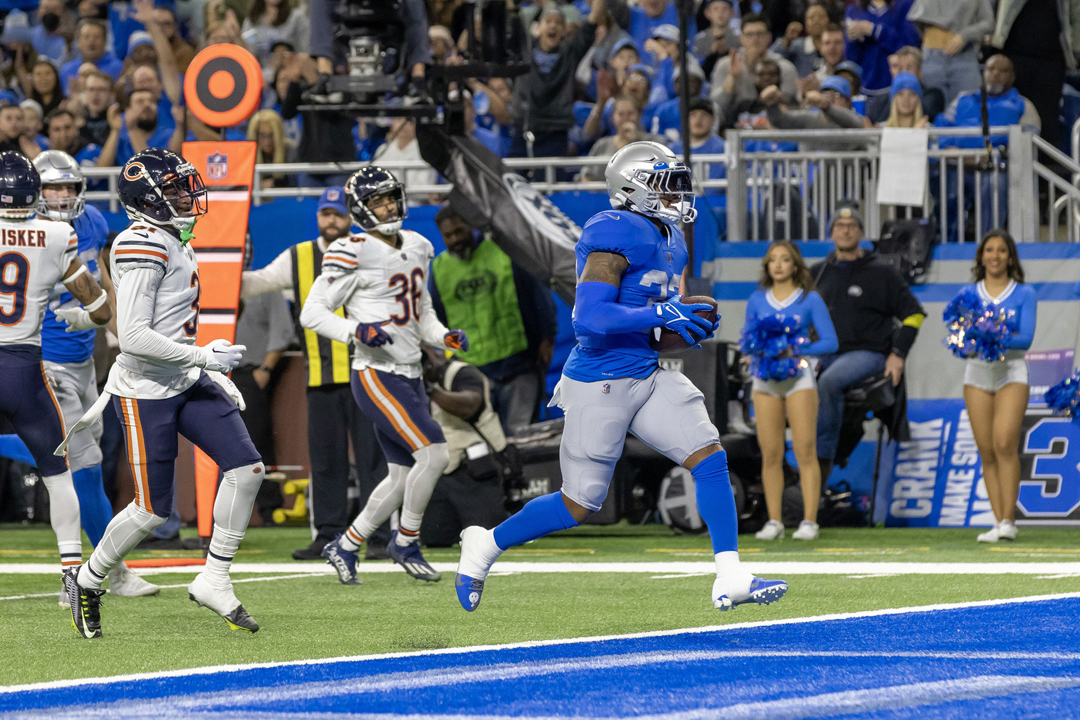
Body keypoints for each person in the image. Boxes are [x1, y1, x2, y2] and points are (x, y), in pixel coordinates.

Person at [454, 141, 788, 613]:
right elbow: (588, 318)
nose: (678, 197)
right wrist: (664, 311)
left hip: (647, 373)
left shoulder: (672, 239)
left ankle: (730, 575)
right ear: (634, 189)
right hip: (600, 381)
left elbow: (655, 329)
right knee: (579, 504)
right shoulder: (616, 229)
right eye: (667, 187)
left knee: (710, 458)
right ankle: (486, 544)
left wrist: (682, 329)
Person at [65, 148, 264, 638]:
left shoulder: (172, 237)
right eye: (173, 188)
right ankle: (88, 579)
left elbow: (170, 324)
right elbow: (131, 336)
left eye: (183, 185)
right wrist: (203, 358)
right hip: (145, 388)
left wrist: (203, 368)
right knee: (152, 510)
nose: (185, 195)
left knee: (247, 467)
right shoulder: (140, 243)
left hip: (184, 378)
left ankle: (215, 578)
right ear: (147, 199)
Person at [301, 166, 468, 585]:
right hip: (375, 373)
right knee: (434, 455)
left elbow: (421, 311)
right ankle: (406, 539)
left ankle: (345, 544)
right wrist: (355, 330)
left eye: (392, 197)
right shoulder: (351, 249)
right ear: (361, 209)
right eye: (378, 200)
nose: (389, 205)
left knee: (399, 477)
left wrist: (442, 336)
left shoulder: (418, 244)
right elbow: (312, 312)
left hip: (410, 372)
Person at [33, 149, 160, 599]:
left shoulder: (93, 225)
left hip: (85, 359)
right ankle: (109, 571)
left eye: (69, 186)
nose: (63, 195)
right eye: (53, 187)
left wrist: (107, 324)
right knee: (84, 467)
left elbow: (103, 278)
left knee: (85, 460)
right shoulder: (30, 234)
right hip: (46, 360)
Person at [240, 187, 389, 561]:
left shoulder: (372, 252)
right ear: (319, 217)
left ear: (350, 217)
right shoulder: (299, 257)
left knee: (374, 461)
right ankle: (328, 535)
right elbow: (255, 283)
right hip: (320, 377)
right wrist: (217, 269)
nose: (331, 220)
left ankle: (382, 536)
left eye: (338, 214)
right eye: (326, 213)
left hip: (366, 372)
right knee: (325, 461)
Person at [0, 151, 110, 614]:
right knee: (59, 476)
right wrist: (82, 314)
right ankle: (71, 575)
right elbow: (102, 309)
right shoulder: (57, 234)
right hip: (25, 368)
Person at [809, 201, 926, 484]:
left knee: (828, 383)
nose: (845, 231)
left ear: (861, 233)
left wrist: (897, 354)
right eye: (840, 225)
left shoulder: (882, 272)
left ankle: (821, 462)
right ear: (832, 232)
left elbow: (914, 314)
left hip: (868, 354)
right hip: (823, 353)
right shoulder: (817, 273)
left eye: (852, 226)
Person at [430, 205, 558, 434]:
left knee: (521, 437)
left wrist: (547, 337)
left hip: (519, 364)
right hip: (473, 372)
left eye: (459, 231)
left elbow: (538, 294)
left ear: (471, 225)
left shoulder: (504, 252)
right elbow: (436, 319)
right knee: (485, 444)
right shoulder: (439, 269)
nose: (455, 239)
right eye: (448, 235)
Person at [745, 241, 838, 542]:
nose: (779, 265)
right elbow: (747, 338)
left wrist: (796, 348)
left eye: (785, 259)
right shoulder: (757, 299)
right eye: (773, 260)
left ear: (796, 265)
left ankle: (809, 521)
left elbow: (830, 342)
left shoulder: (810, 299)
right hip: (765, 379)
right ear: (767, 266)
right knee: (770, 453)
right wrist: (753, 351)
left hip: (799, 377)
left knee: (805, 451)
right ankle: (774, 521)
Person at [954, 230, 1036, 543]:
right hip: (976, 374)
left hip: (1011, 372)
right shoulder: (969, 293)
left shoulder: (1024, 294)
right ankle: (998, 520)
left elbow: (1025, 339)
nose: (995, 256)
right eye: (989, 250)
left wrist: (989, 335)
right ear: (981, 257)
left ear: (1010, 257)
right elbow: (960, 339)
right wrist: (964, 341)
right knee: (987, 450)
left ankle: (1009, 520)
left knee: (1004, 443)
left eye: (1002, 250)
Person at [934, 54, 1040, 243]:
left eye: (1003, 71)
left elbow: (1028, 144)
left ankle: (989, 243)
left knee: (994, 184)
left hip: (998, 168)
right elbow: (939, 132)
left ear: (1012, 77)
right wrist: (961, 157)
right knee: (944, 182)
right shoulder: (962, 100)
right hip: (958, 165)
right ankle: (946, 242)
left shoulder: (1023, 105)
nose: (996, 74)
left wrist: (997, 158)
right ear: (984, 73)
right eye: (991, 69)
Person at [418, 345, 509, 547]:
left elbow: (469, 405)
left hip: (473, 470)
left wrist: (431, 390)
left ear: (436, 351)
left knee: (489, 536)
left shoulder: (463, 373)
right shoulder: (411, 381)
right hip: (439, 473)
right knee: (433, 538)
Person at [508, 2, 604, 165]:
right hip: (524, 126)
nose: (553, 26)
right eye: (548, 21)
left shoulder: (571, 53)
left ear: (564, 30)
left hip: (556, 131)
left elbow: (592, 21)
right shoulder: (524, 49)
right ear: (538, 27)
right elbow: (512, 18)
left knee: (551, 182)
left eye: (558, 22)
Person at [992, 0, 1080, 149]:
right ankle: (1009, 165)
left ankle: (1046, 167)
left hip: (1051, 60)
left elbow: (1076, 15)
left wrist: (1076, 51)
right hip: (1015, 56)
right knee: (1011, 114)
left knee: (1048, 120)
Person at [710, 14, 798, 129]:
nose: (755, 39)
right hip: (735, 125)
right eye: (749, 34)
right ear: (741, 38)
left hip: (775, 126)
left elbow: (790, 105)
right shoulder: (726, 64)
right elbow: (717, 107)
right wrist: (732, 77)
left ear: (769, 37)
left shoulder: (784, 67)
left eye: (760, 34)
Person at [907, 0, 993, 106]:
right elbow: (916, 20)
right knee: (931, 111)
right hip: (931, 59)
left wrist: (964, 36)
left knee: (969, 110)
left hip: (964, 58)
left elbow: (989, 23)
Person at [843, 0, 920, 96]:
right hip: (865, 90)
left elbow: (909, 47)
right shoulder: (854, 10)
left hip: (899, 90)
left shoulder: (905, 5)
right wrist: (852, 40)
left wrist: (874, 30)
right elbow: (851, 59)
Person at [97, 88, 184, 168]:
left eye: (152, 101)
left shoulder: (169, 135)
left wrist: (133, 129)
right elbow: (100, 170)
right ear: (128, 110)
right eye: (140, 101)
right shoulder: (122, 138)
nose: (147, 105)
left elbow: (154, 169)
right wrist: (115, 130)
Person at [865, 46, 946, 124]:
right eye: (899, 68)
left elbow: (926, 114)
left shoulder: (933, 95)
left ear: (919, 71)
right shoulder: (880, 101)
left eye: (909, 68)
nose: (903, 72)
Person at [60, 19, 124, 93]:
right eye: (86, 37)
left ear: (105, 41)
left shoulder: (118, 68)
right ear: (78, 42)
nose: (91, 41)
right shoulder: (67, 70)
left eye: (96, 37)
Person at [772, 2, 832, 78]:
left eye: (821, 16)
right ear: (805, 24)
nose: (816, 20)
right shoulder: (798, 45)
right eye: (811, 17)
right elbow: (773, 57)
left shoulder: (836, 43)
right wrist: (787, 40)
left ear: (828, 21)